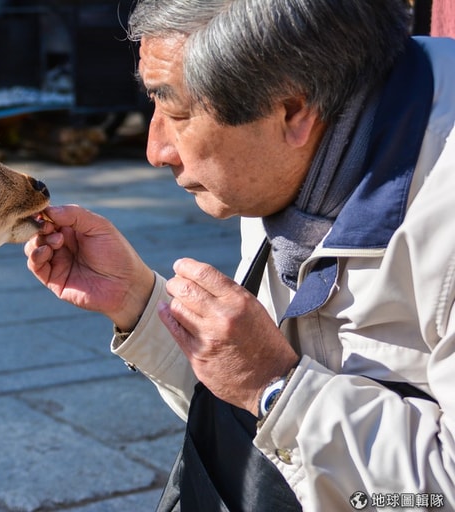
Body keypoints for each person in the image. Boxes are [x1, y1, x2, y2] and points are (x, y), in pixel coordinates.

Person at [24, 0, 455, 510]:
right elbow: (259, 422)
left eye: (178, 111)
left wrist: (273, 386)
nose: (156, 149)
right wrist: (142, 303)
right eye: (153, 103)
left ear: (293, 111)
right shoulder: (297, 160)